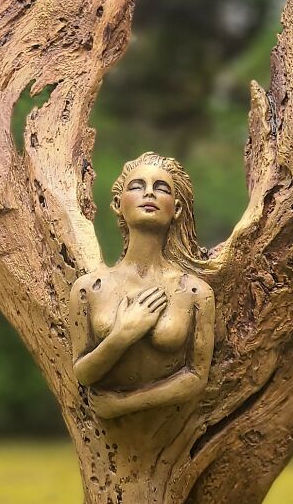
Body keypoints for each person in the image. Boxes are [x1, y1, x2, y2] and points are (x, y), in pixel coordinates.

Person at [69, 152, 215, 419]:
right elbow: (82, 373)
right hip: (108, 439)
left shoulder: (195, 292)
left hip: (172, 431)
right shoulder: (89, 289)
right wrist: (123, 334)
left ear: (176, 209)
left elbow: (196, 376)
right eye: (137, 186)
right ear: (117, 204)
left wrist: (124, 404)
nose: (149, 193)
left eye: (161, 188)